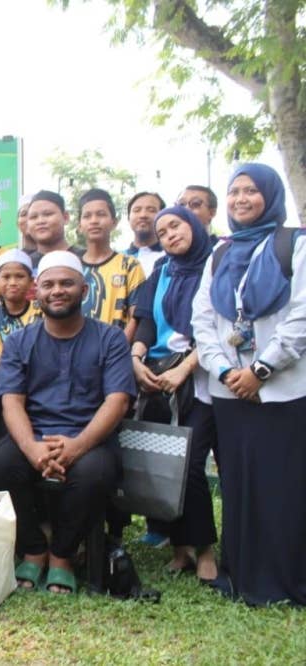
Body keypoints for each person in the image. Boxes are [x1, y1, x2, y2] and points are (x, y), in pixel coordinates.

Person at [0, 251, 135, 594]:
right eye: (49, 284)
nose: (57, 291)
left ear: (84, 290)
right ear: (36, 291)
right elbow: (11, 401)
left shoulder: (110, 338)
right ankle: (34, 549)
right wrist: (32, 448)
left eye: (67, 283)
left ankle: (63, 555)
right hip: (34, 435)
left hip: (90, 437)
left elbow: (118, 401)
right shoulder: (19, 341)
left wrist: (78, 446)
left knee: (94, 472)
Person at [191, 162, 306, 606]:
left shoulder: (295, 244)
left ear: (271, 196)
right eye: (235, 191)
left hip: (283, 389)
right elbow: (203, 320)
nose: (241, 199)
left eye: (251, 191)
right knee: (239, 485)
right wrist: (225, 372)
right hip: (230, 391)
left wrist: (260, 370)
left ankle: (284, 579)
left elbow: (301, 316)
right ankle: (242, 575)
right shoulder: (220, 254)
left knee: (284, 485)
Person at [131, 206, 218, 582]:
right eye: (163, 232)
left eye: (176, 226)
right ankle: (179, 548)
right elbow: (147, 321)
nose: (170, 235)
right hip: (157, 376)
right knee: (163, 463)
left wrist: (185, 369)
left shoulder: (216, 264)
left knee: (191, 463)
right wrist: (136, 358)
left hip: (200, 379)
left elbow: (219, 326)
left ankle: (205, 549)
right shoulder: (162, 270)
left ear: (194, 225)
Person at [0, 249, 42, 444]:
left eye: (19, 276)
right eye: (6, 277)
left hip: (32, 378)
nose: (12, 282)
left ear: (31, 281)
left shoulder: (39, 310)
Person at [77, 189, 146, 340]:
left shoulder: (129, 266)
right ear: (79, 225)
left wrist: (117, 348)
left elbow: (136, 317)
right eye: (87, 216)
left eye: (101, 214)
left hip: (116, 349)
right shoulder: (72, 267)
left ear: (114, 222)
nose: (94, 220)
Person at [26, 190, 85, 268]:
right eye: (33, 217)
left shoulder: (86, 260)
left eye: (47, 214)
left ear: (65, 217)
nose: (40, 221)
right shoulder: (24, 266)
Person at [123, 192, 167, 276]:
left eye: (151, 210)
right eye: (137, 210)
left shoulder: (172, 259)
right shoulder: (116, 259)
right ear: (128, 218)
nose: (143, 215)